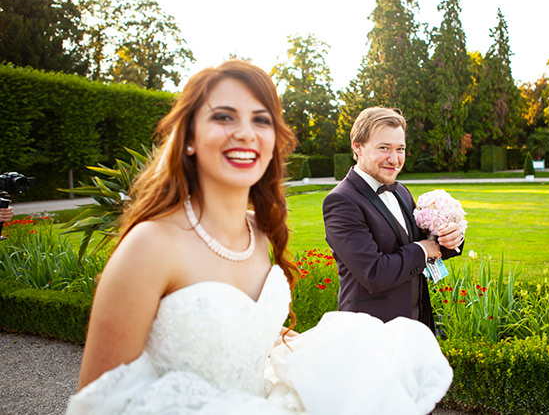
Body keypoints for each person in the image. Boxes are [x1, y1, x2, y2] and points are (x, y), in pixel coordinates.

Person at [67, 61, 452, 414]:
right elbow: (99, 403)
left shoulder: (260, 235)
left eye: (261, 120)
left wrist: (327, 359)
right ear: (188, 138)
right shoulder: (149, 246)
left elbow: (251, 337)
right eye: (223, 116)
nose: (245, 132)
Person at [323, 107, 465, 332]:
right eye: (384, 148)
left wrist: (449, 239)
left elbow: (424, 244)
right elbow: (373, 274)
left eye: (400, 149)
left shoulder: (401, 191)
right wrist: (422, 250)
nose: (394, 159)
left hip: (415, 328)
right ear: (357, 146)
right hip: (370, 333)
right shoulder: (342, 201)